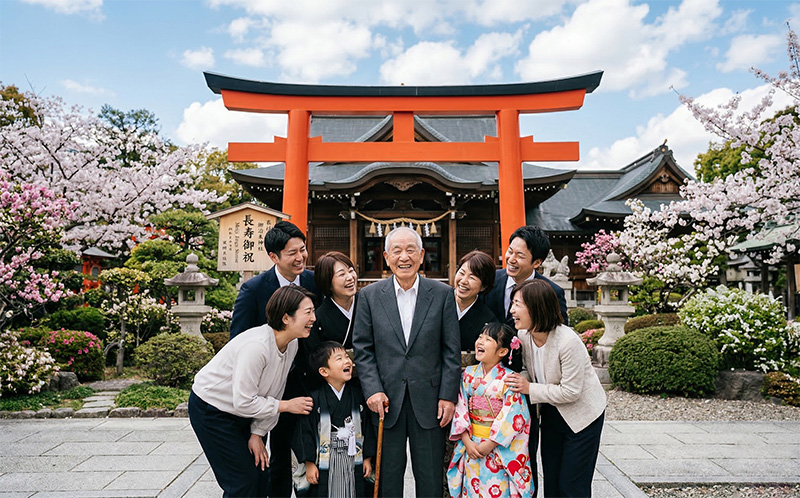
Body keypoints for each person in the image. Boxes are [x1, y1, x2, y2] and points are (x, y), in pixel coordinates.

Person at [353, 226, 461, 497]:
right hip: (386, 401)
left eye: (411, 250)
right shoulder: (369, 296)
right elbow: (363, 349)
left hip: (431, 400)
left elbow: (451, 350)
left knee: (430, 476)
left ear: (422, 255)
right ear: (387, 257)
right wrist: (373, 389)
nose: (404, 257)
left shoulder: (442, 294)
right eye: (397, 251)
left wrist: (448, 396)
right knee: (388, 477)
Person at [188, 285, 316, 498]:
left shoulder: (291, 344)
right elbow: (244, 402)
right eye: (308, 312)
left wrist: (257, 433)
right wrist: (287, 406)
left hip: (242, 412)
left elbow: (274, 390)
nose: (313, 318)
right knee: (241, 481)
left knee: (260, 476)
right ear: (286, 318)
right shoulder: (256, 347)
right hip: (211, 410)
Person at [228, 220, 319, 497]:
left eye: (302, 250)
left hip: (306, 383)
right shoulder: (254, 289)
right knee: (265, 458)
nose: (300, 257)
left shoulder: (315, 281)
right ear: (273, 257)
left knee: (302, 452)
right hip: (265, 387)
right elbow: (239, 340)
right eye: (292, 253)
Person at [506, 280, 606, 498]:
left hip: (582, 416)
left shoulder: (568, 341)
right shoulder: (524, 335)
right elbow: (525, 369)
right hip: (551, 411)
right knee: (551, 481)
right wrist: (516, 381)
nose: (512, 310)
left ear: (536, 307)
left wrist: (529, 388)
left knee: (572, 485)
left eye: (517, 304)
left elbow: (571, 392)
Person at [447, 322, 533, 498]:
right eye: (480, 337)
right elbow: (460, 408)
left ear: (502, 352)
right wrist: (466, 440)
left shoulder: (509, 379)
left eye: (488, 339)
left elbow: (515, 416)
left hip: (497, 449)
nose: (480, 341)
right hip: (471, 445)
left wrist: (491, 443)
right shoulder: (467, 375)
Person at [293, 341, 376, 498]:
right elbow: (304, 433)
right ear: (324, 371)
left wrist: (367, 458)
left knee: (353, 490)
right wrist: (309, 463)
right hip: (325, 460)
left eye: (347, 356)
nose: (347, 361)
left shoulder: (358, 396)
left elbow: (368, 429)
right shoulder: (314, 399)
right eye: (339, 358)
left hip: (353, 457)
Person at [483, 226, 568, 328]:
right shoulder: (490, 279)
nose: (511, 260)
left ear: (537, 263)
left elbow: (559, 332)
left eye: (520, 256)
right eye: (510, 251)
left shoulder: (552, 292)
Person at [305, 252, 359, 386]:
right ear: (328, 283)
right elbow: (316, 359)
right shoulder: (318, 317)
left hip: (369, 381)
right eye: (342, 274)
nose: (350, 277)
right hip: (336, 386)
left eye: (351, 271)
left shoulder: (368, 304)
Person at [453, 250, 499, 359]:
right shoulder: (437, 300)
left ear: (483, 286)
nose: (463, 281)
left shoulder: (487, 319)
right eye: (461, 273)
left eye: (472, 277)